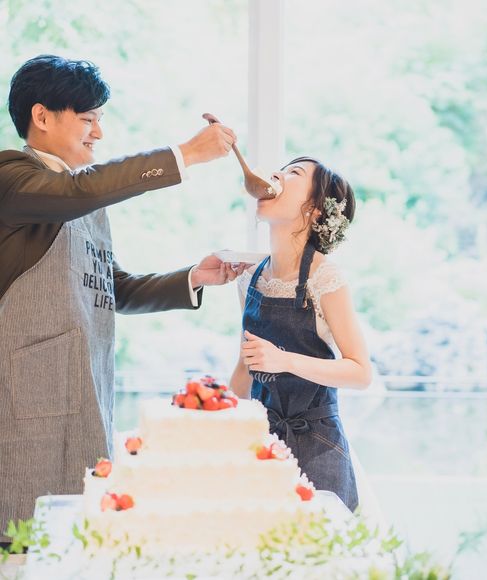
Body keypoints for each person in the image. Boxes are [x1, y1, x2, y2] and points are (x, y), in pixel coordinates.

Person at [0, 54, 241, 544]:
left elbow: (115, 289)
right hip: (23, 400)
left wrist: (193, 277)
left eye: (100, 120)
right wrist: (184, 155)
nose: (99, 133)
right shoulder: (14, 176)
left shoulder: (83, 199)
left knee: (78, 532)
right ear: (41, 116)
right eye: (88, 119)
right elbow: (75, 192)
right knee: (25, 537)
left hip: (85, 391)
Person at [230, 156, 372, 511]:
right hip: (260, 447)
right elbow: (245, 367)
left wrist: (284, 360)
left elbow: (360, 372)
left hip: (317, 450)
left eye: (293, 173)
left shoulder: (325, 278)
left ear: (314, 209)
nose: (276, 175)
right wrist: (218, 424)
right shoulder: (250, 278)